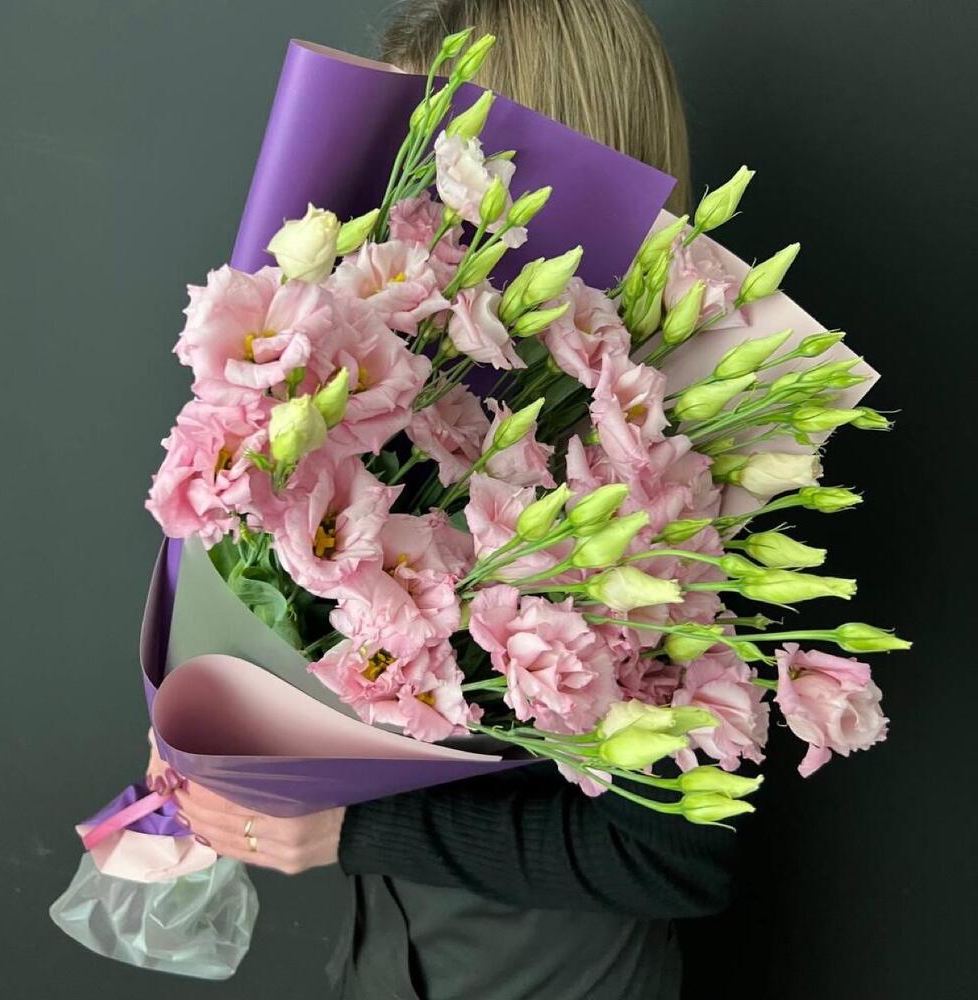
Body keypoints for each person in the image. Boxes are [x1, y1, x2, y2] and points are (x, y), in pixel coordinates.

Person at [149, 2, 745, 997]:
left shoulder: (683, 446)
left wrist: (348, 829)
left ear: (547, 151)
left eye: (438, 146)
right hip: (381, 965)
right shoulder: (431, 375)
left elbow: (673, 855)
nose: (413, 185)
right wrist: (226, 733)